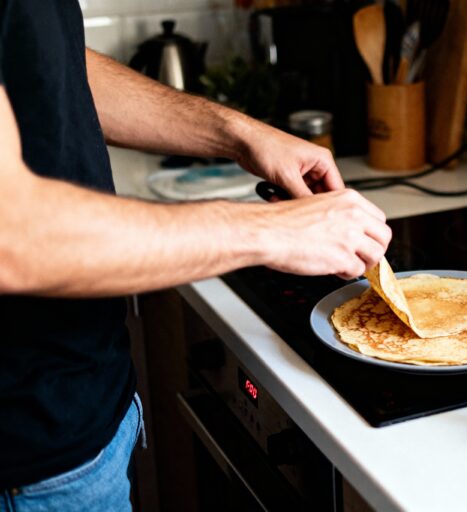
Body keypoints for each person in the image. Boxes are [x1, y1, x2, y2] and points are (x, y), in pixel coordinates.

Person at [0, 1, 391, 510]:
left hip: (82, 410)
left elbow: (46, 62)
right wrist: (270, 231)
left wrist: (238, 133)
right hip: (26, 463)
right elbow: (13, 236)